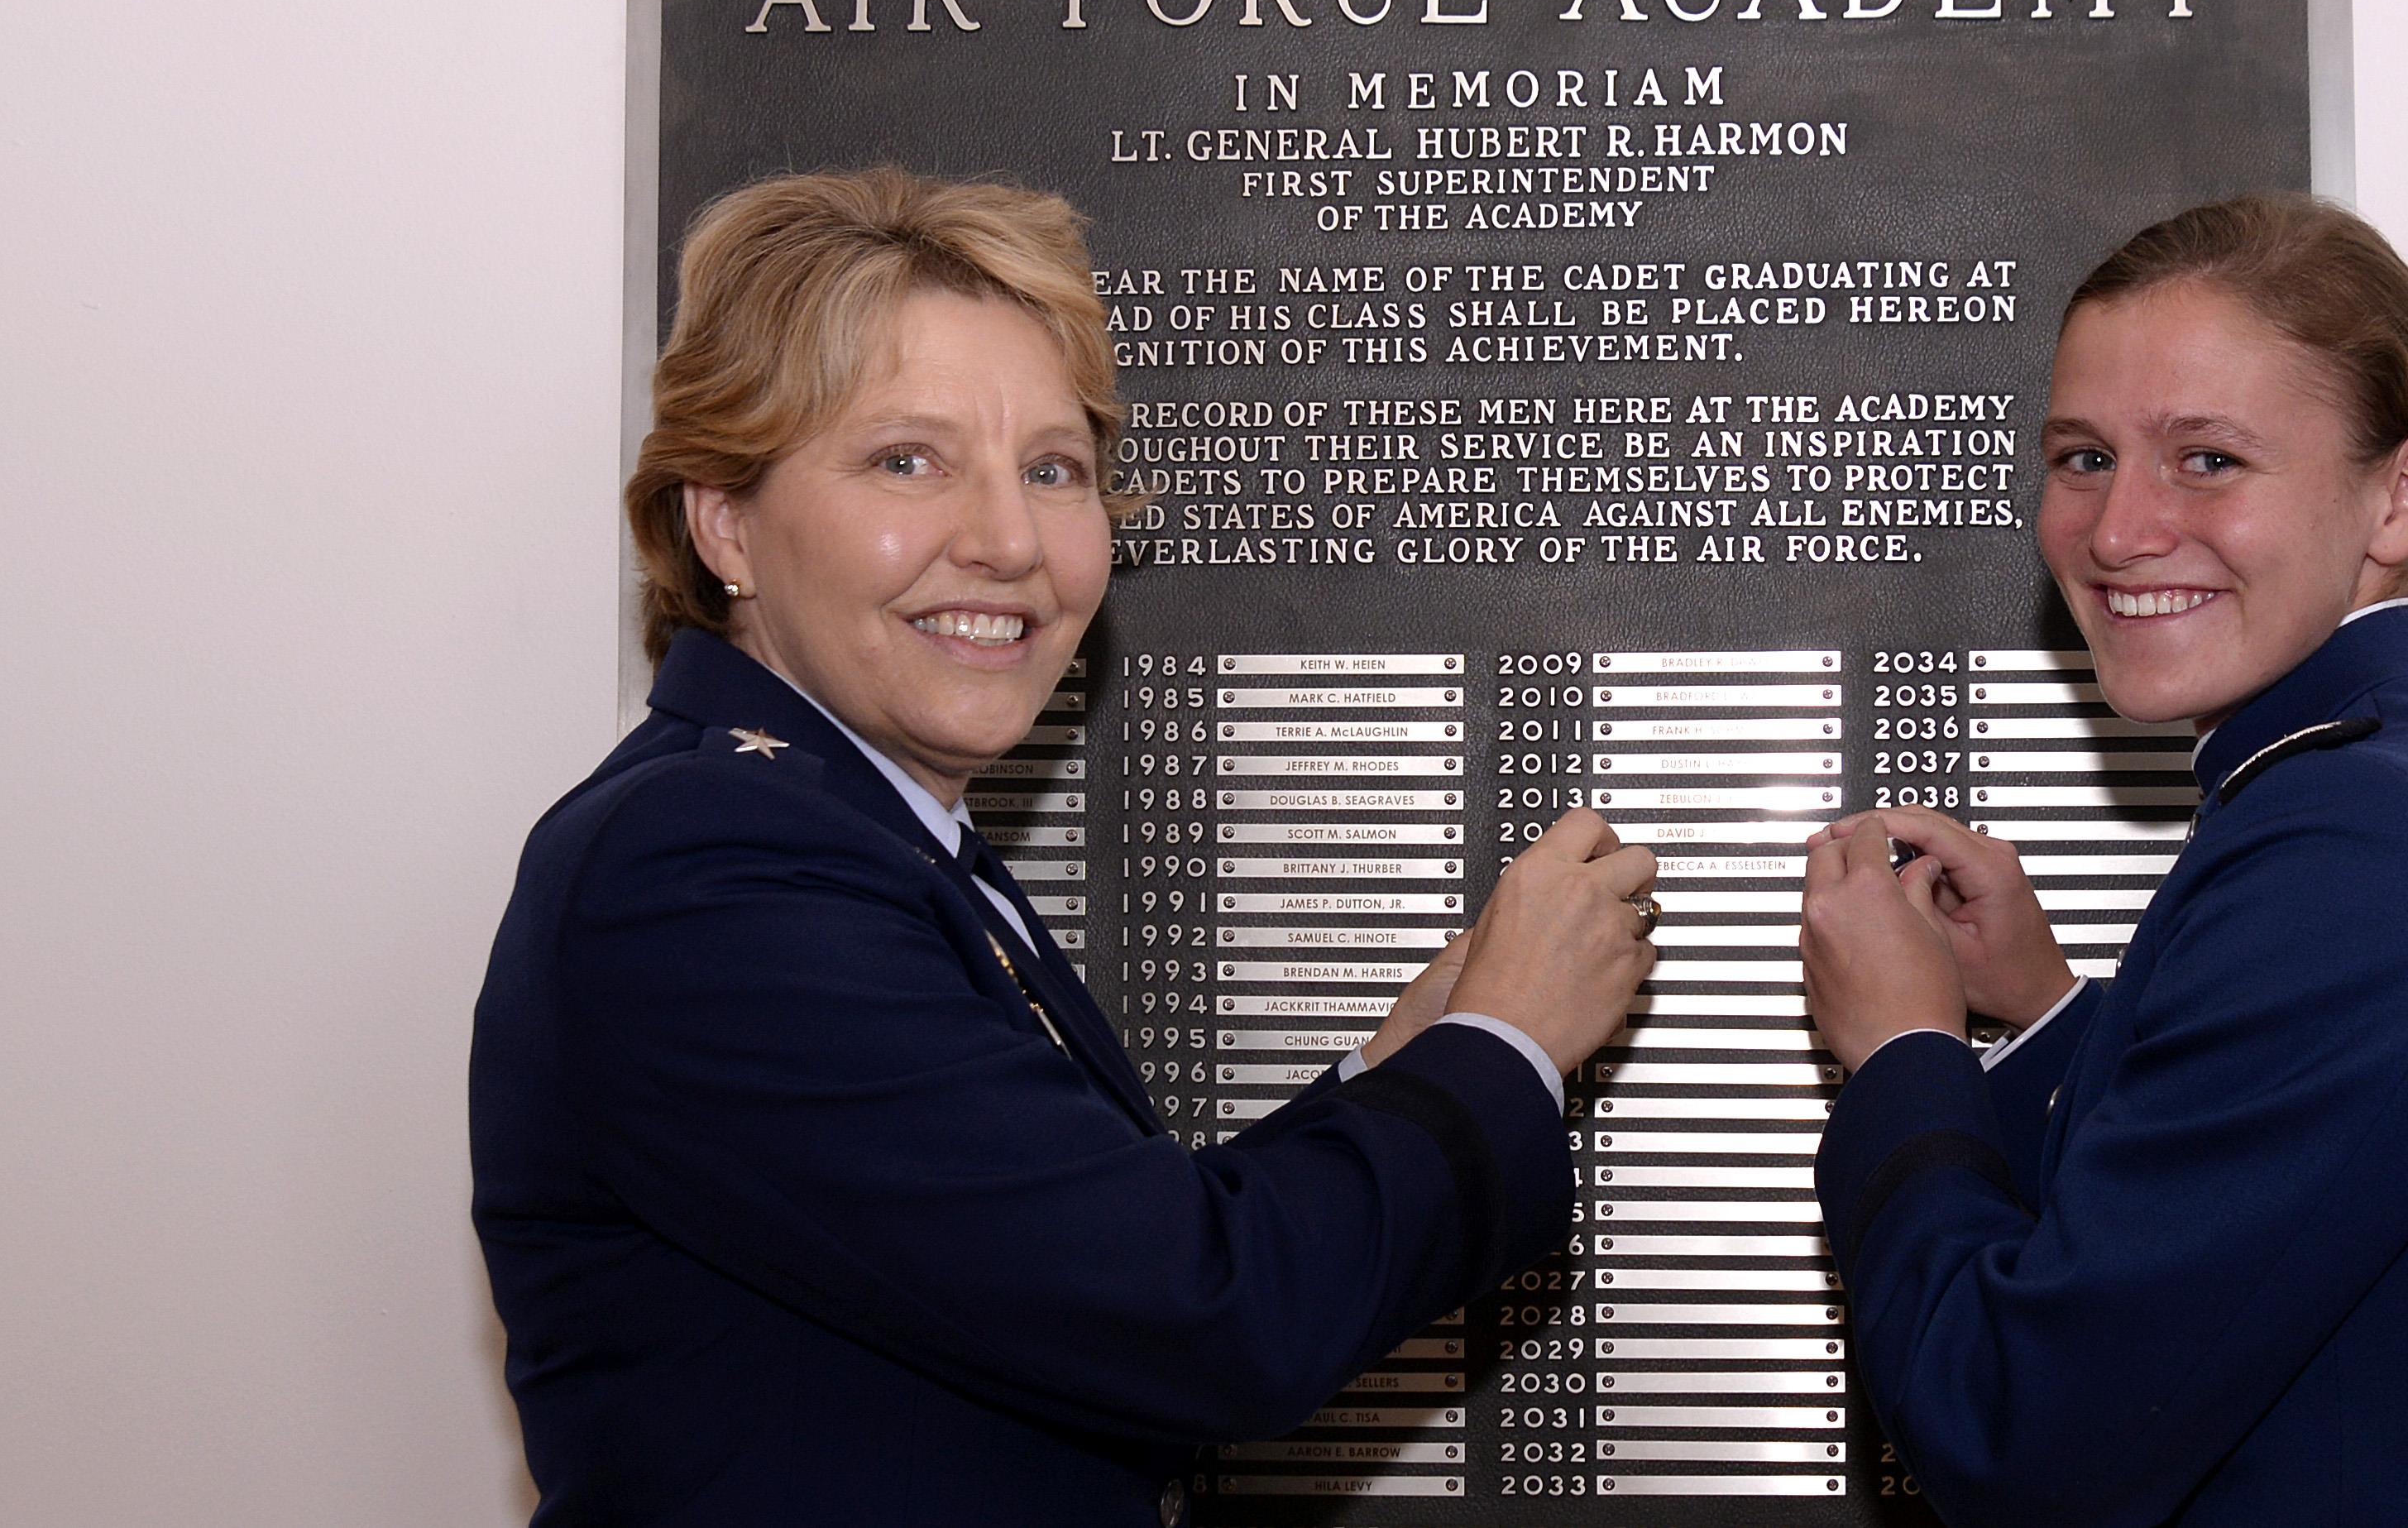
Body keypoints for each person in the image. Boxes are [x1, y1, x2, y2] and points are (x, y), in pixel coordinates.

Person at [472, 167, 1658, 1527]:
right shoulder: (703, 864)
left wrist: (1393, 1074)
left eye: (1054, 469)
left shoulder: (867, 833)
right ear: (724, 520)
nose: (1005, 541)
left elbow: (1079, 1267)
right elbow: (1199, 1319)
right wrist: (1499, 1049)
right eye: (904, 460)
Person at [1798, 193, 2408, 1526]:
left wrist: (1901, 1055)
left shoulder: (2363, 852)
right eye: (2081, 457)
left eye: (2207, 460)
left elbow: (2016, 1441)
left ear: (2398, 496)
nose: (2116, 533)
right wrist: (2049, 1015)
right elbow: (2284, 1226)